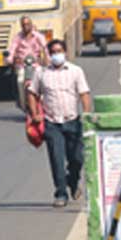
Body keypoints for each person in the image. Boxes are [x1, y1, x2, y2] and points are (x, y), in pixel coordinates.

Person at [27, 39, 93, 208]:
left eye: (60, 51)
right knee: (57, 159)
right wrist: (35, 114)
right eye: (54, 52)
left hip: (73, 121)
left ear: (65, 52)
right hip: (52, 123)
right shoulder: (41, 73)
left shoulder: (75, 71)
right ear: (49, 55)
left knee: (77, 158)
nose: (57, 55)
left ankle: (73, 180)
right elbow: (32, 93)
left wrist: (86, 115)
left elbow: (84, 94)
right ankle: (61, 193)